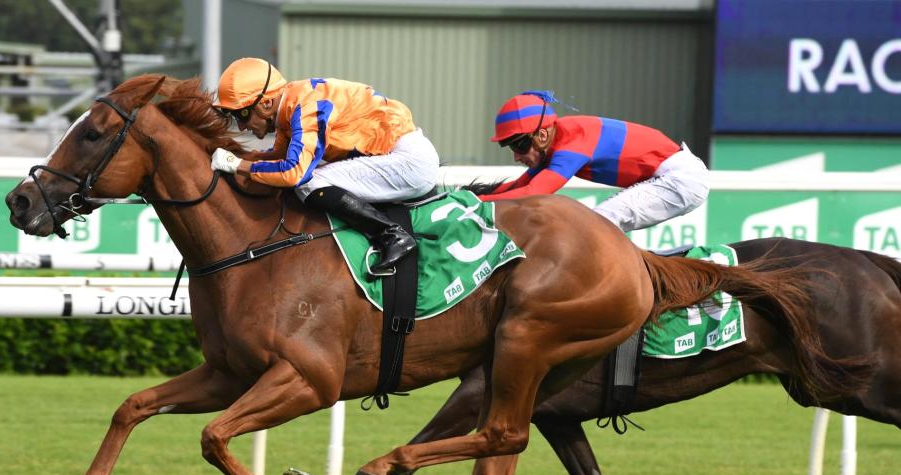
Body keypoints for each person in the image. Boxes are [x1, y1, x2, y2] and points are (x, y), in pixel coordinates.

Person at [209, 57, 440, 275]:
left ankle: (391, 235)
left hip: (409, 161)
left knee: (310, 182)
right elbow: (275, 156)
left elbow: (293, 173)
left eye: (242, 114)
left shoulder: (306, 108)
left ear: (267, 103)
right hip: (396, 156)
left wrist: (237, 164)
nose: (240, 126)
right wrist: (238, 158)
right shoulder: (291, 104)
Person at [481, 90, 709, 233]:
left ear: (541, 135)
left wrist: (474, 204)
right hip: (673, 175)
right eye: (510, 147)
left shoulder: (572, 144)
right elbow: (518, 186)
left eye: (519, 145)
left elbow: (533, 192)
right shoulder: (554, 141)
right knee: (597, 223)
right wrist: (467, 197)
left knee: (597, 223)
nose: (516, 156)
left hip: (682, 179)